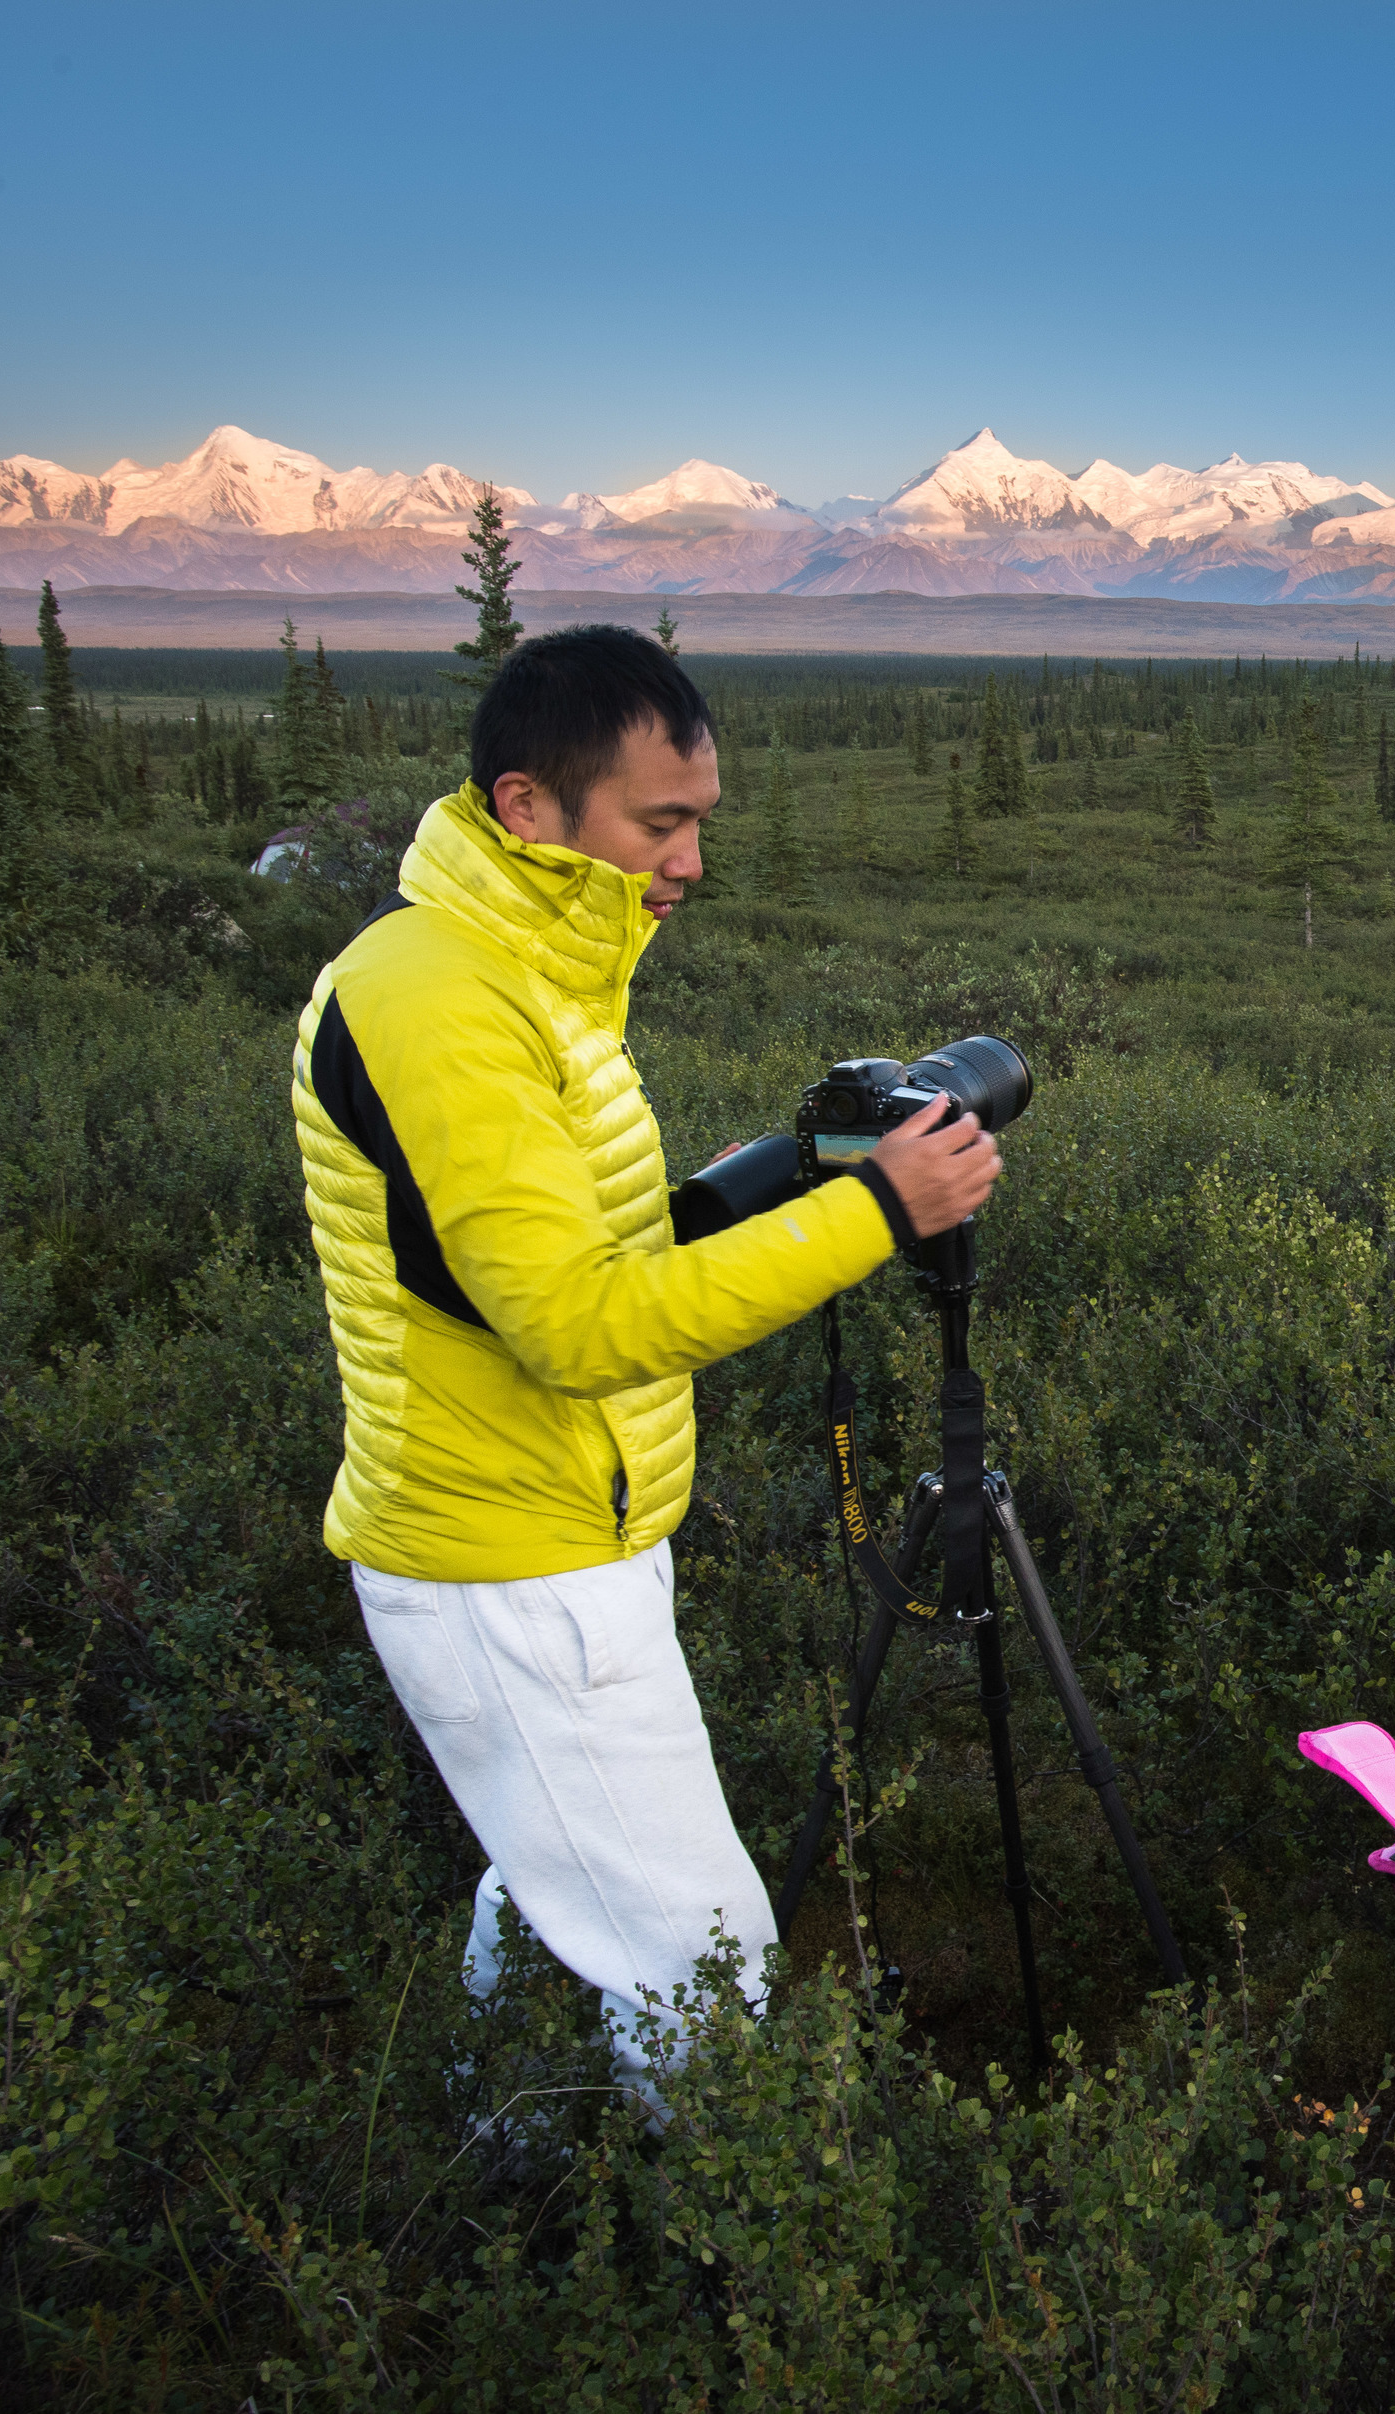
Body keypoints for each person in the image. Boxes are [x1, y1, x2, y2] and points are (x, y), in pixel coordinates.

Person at [290, 623, 995, 2103]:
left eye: (700, 824)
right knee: (705, 1955)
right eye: (657, 824)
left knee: (550, 1886)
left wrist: (791, 1168)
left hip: (564, 1535)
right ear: (525, 807)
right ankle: (741, 2295)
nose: (688, 862)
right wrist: (877, 1210)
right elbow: (578, 1324)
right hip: (506, 1561)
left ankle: (515, 2169)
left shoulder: (525, 974)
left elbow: (597, 1242)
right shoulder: (436, 998)